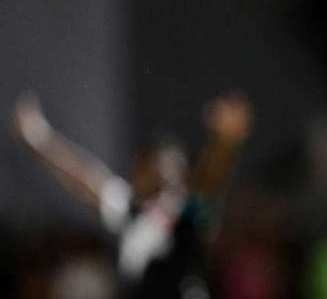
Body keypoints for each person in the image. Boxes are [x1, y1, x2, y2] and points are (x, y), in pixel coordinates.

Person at [12, 90, 253, 298]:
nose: (167, 175)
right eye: (156, 166)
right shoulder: (131, 209)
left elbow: (208, 182)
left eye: (175, 168)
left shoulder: (185, 209)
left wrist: (223, 143)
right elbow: (86, 179)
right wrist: (40, 139)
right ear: (140, 168)